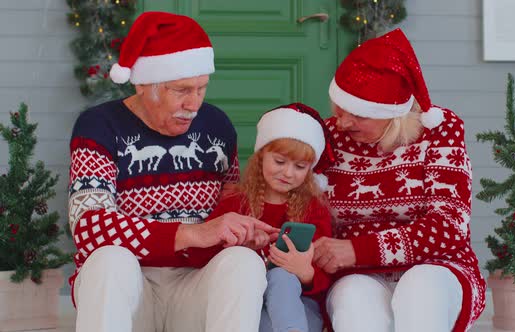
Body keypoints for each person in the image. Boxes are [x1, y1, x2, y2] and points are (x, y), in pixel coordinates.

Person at [68, 12, 278, 332]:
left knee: (245, 263)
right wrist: (191, 233)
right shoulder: (99, 126)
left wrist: (248, 237)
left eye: (201, 88)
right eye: (181, 90)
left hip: (193, 284)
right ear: (143, 85)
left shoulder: (217, 127)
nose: (193, 104)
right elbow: (89, 226)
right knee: (110, 261)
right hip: (132, 286)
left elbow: (231, 208)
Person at [313, 29, 486, 332]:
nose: (343, 122)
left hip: (437, 266)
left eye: (359, 114)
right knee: (353, 300)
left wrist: (357, 249)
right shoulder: (326, 136)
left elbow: (449, 226)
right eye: (340, 107)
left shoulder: (439, 130)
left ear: (394, 116)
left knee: (420, 289)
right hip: (358, 274)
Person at [204, 103, 335, 332]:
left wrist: (306, 273)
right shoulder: (235, 203)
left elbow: (324, 277)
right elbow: (205, 255)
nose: (288, 173)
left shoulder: (314, 209)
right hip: (249, 304)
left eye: (300, 166)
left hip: (299, 306)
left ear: (309, 171)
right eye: (280, 162)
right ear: (262, 155)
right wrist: (236, 245)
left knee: (282, 276)